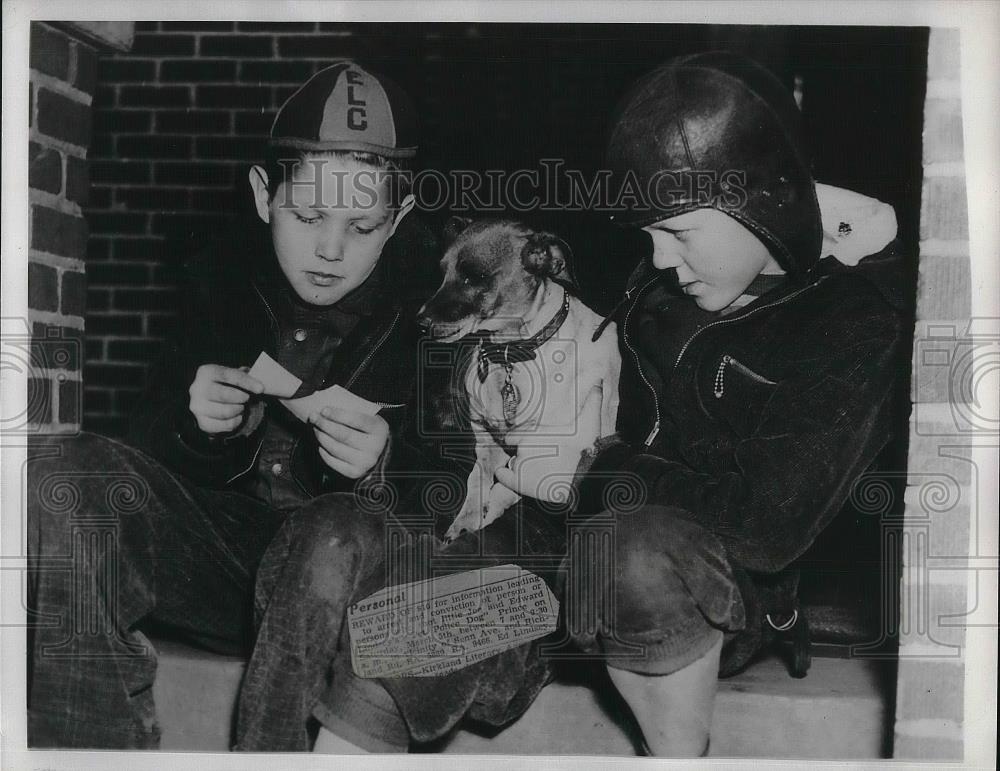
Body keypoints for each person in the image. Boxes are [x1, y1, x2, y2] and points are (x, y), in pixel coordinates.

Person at [261, 51, 909, 757]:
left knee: (636, 548)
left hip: (695, 584)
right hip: (553, 571)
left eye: (679, 231)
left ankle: (679, 752)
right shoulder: (665, 287)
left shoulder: (850, 324)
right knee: (396, 627)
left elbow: (766, 527)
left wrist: (594, 466)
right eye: (649, 234)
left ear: (758, 201)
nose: (658, 258)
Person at [25, 59, 444, 749]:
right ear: (262, 195)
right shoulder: (216, 282)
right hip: (227, 566)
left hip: (349, 581)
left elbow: (470, 489)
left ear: (398, 218)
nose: (330, 249)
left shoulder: (439, 309)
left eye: (362, 225)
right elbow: (142, 459)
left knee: (331, 530)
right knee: (65, 469)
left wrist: (386, 464)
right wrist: (201, 428)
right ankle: (88, 746)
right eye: (308, 214)